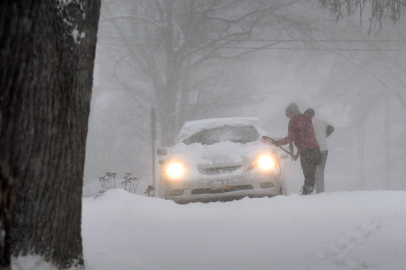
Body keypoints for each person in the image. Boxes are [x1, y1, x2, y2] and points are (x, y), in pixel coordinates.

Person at [273, 103, 321, 195]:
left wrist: (279, 142)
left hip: (306, 150)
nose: (287, 117)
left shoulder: (293, 121)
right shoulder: (307, 118)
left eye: (287, 114)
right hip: (315, 148)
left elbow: (291, 137)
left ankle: (307, 192)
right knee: (312, 172)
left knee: (307, 172)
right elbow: (305, 133)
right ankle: (310, 190)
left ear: (292, 112)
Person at [304, 108, 335, 194]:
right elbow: (331, 128)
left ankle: (312, 189)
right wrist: (325, 136)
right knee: (321, 170)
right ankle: (320, 190)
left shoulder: (307, 123)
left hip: (314, 149)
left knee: (312, 170)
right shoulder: (322, 122)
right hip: (324, 149)